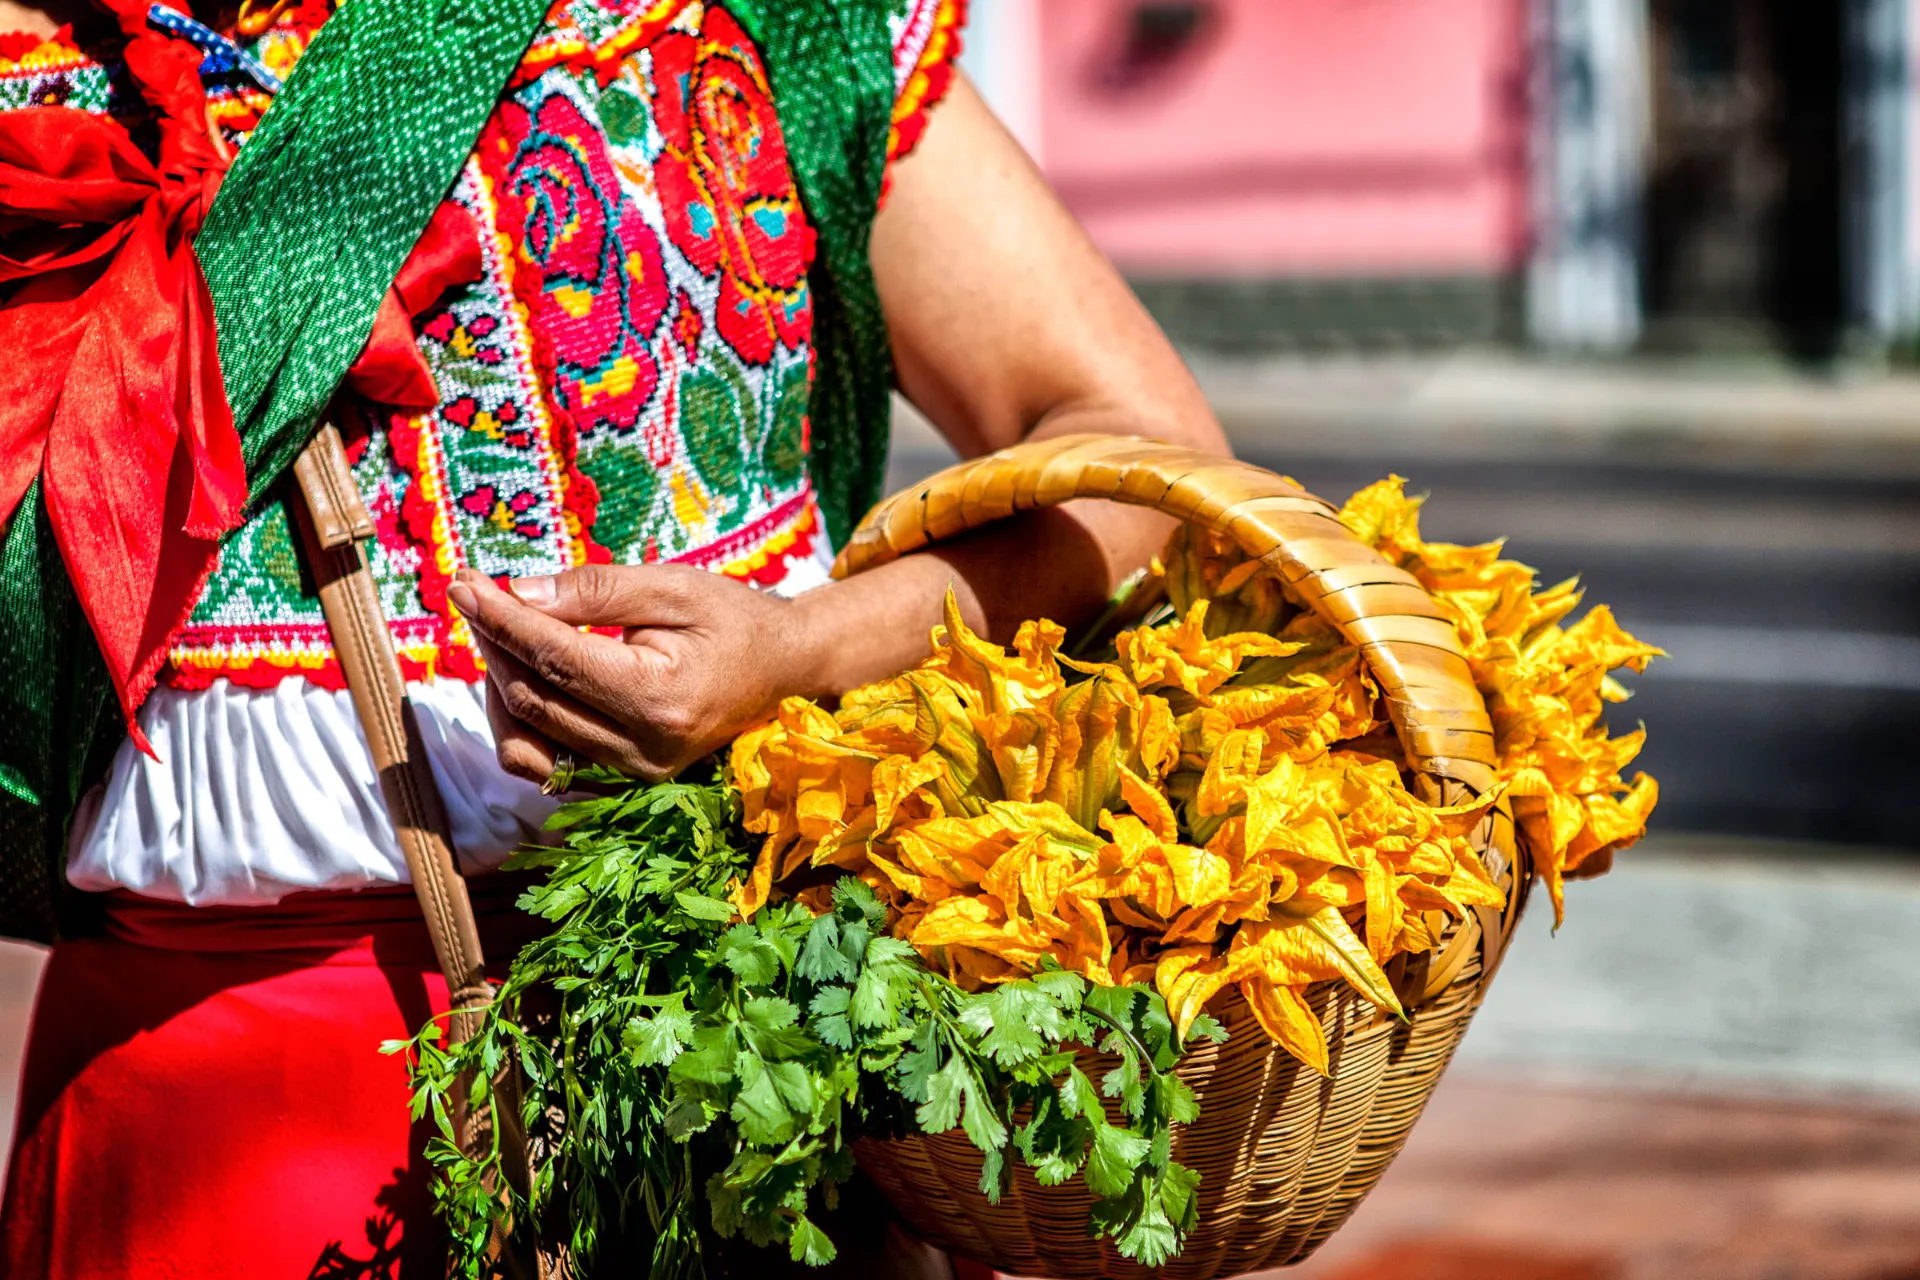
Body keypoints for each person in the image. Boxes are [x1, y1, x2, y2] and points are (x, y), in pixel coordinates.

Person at [0, 0, 1227, 1272]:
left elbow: (1141, 454)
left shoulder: (765, 26)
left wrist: (804, 651)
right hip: (207, 1142)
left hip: (739, 1075)